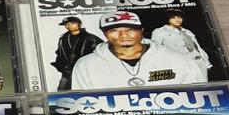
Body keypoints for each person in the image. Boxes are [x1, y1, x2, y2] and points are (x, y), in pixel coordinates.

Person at [70, 11, 208, 90]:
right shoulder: (86, 65)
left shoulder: (177, 59)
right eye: (114, 30)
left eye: (130, 29)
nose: (123, 35)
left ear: (142, 31)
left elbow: (200, 94)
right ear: (105, 34)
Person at [51, 16, 103, 90]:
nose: (69, 26)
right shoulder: (63, 38)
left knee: (86, 90)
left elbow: (100, 52)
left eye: (72, 23)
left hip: (85, 71)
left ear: (80, 24)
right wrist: (61, 66)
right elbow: (60, 53)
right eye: (66, 24)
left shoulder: (91, 38)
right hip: (68, 72)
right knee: (62, 91)